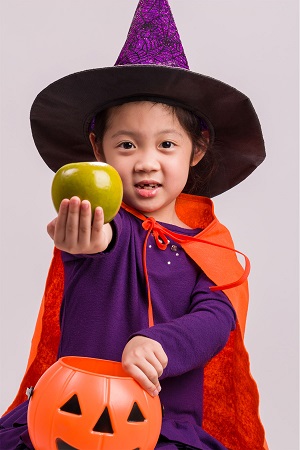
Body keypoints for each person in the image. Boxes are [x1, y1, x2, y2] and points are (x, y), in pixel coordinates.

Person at [0, 0, 268, 449]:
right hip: (68, 415)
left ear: (196, 150)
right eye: (126, 144)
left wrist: (159, 343)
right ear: (98, 150)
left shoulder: (210, 244)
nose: (146, 162)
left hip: (161, 426)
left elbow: (217, 316)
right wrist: (85, 240)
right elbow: (99, 241)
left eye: (166, 144)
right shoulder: (106, 226)